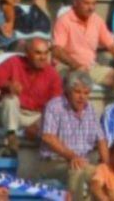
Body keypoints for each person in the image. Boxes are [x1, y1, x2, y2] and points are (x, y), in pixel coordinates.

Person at [0, 37, 62, 157]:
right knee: (11, 100)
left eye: (46, 53)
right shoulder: (14, 62)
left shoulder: (52, 73)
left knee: (56, 117)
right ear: (27, 53)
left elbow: (56, 106)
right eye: (38, 53)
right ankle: (11, 138)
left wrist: (38, 124)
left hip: (32, 117)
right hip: (6, 113)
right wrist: (7, 84)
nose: (43, 57)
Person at [38, 71, 108, 201]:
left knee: (101, 174)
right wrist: (72, 156)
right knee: (77, 171)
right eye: (78, 92)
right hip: (54, 162)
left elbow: (101, 139)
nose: (82, 97)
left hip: (83, 162)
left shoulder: (90, 109)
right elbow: (48, 137)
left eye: (86, 93)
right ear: (68, 91)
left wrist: (106, 164)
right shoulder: (55, 106)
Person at [52, 0, 114, 85]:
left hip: (91, 67)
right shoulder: (64, 21)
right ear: (75, 2)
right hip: (67, 67)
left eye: (93, 3)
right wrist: (76, 66)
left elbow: (112, 45)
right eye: (86, 3)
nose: (91, 8)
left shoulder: (97, 20)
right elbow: (56, 50)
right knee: (79, 80)